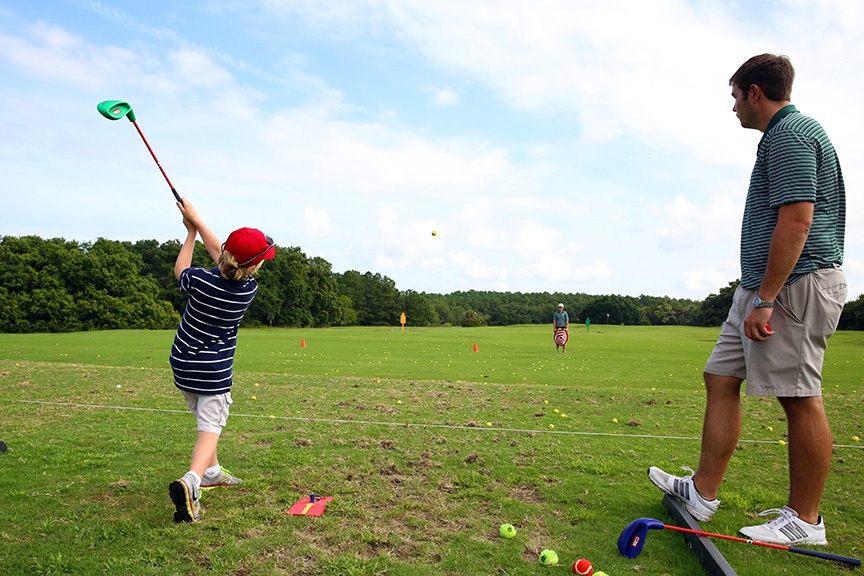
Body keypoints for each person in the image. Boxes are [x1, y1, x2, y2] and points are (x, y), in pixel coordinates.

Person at [648, 54, 846, 546]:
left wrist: (767, 298)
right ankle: (701, 493)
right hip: (760, 286)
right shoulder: (780, 138)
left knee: (798, 398)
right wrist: (755, 292)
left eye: (735, 95)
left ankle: (805, 520)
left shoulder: (790, 135)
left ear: (755, 91)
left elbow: (798, 220)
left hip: (792, 287)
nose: (733, 106)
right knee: (720, 375)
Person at [168, 198, 275, 523]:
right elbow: (226, 259)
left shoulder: (200, 281)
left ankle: (212, 472)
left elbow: (181, 271)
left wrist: (191, 231)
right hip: (213, 372)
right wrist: (196, 224)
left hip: (182, 365)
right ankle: (192, 482)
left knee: (203, 418)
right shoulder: (247, 290)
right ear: (252, 267)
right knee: (211, 427)